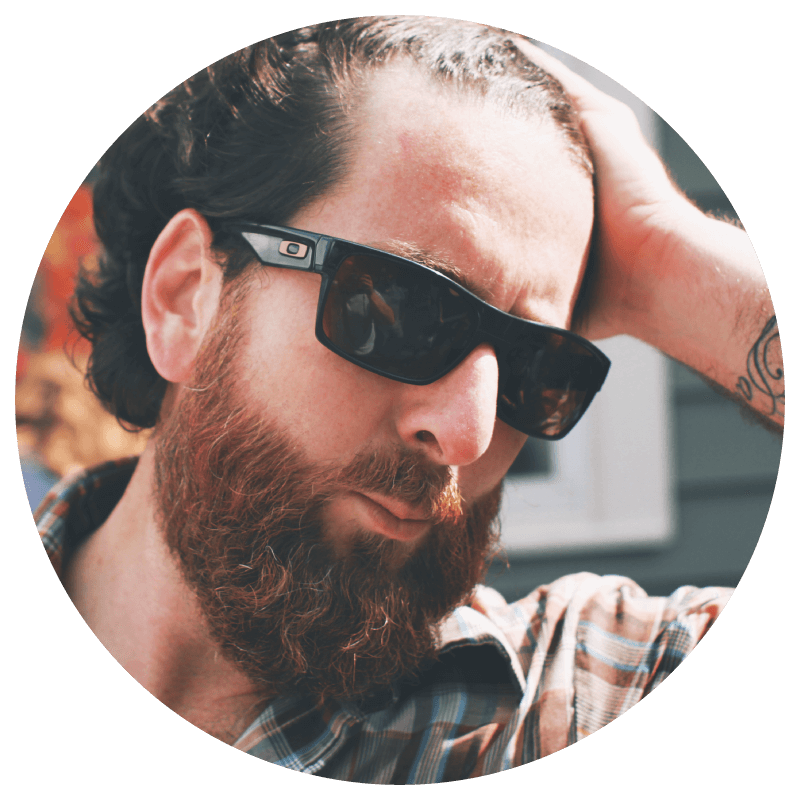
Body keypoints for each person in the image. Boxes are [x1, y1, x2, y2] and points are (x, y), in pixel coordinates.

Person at [35, 18, 781, 780]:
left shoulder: (568, 708)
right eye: (398, 311)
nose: (467, 433)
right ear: (185, 297)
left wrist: (667, 263)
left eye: (533, 367)